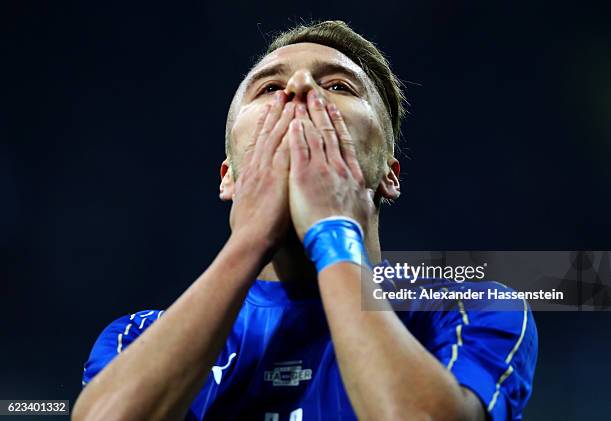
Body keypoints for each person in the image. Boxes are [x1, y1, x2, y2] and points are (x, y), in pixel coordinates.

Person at [72, 20, 537, 421]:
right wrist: (250, 239)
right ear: (229, 176)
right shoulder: (139, 336)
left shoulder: (468, 308)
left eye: (338, 86)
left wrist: (333, 233)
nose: (300, 90)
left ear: (389, 175)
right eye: (270, 88)